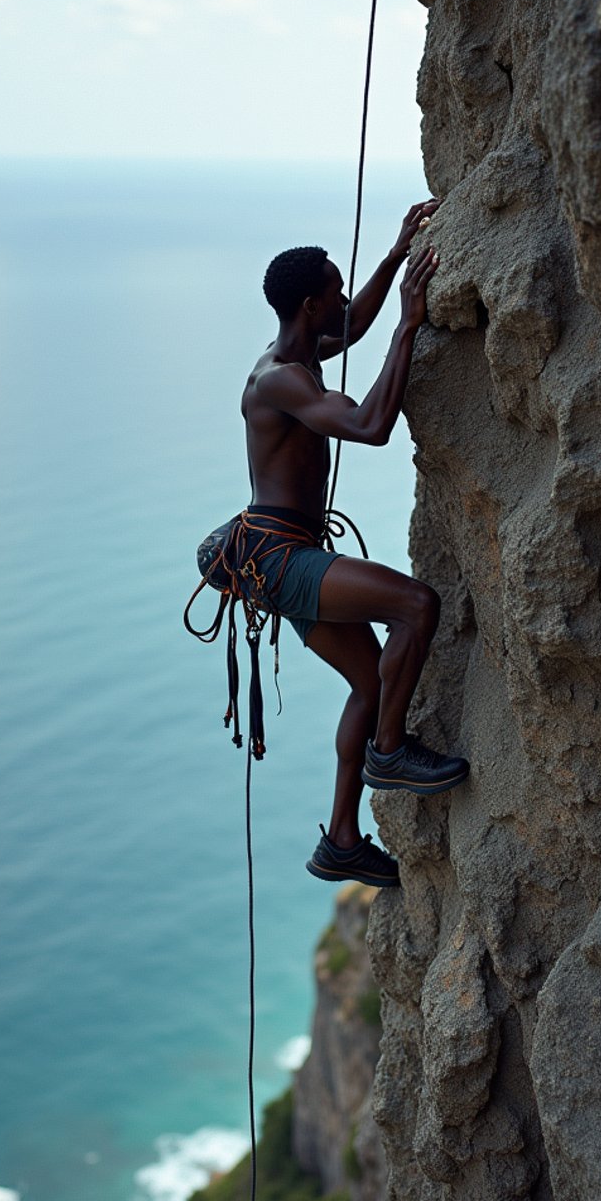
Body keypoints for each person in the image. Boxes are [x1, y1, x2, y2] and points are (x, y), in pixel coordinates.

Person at [237, 201, 469, 890]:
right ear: (310, 306)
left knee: (371, 684)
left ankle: (341, 841)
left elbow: (352, 325)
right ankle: (389, 753)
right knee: (416, 607)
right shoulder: (281, 376)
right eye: (333, 292)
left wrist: (397, 254)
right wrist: (409, 325)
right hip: (284, 558)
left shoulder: (305, 349)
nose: (342, 301)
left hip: (277, 555)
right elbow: (370, 425)